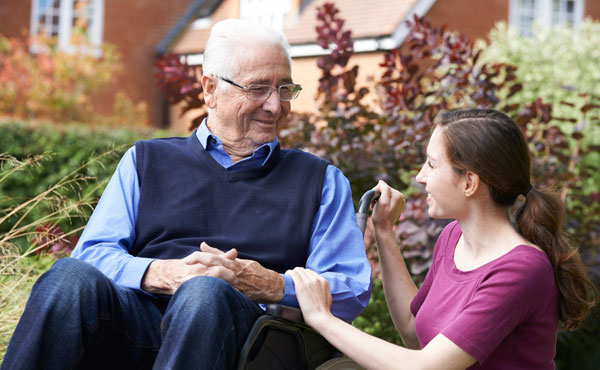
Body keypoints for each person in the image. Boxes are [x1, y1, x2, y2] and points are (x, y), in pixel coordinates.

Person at [1, 19, 372, 370]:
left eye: (285, 89)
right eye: (258, 88)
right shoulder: (146, 160)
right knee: (68, 277)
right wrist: (161, 272)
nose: (276, 105)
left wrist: (270, 283)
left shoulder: (319, 180)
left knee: (204, 293)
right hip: (135, 323)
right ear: (210, 89)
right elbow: (94, 253)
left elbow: (350, 290)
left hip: (247, 343)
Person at [287, 108, 598, 369]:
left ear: (469, 183)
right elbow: (413, 332)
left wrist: (321, 318)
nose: (420, 176)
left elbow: (424, 367)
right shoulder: (452, 238)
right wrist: (383, 232)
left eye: (432, 164)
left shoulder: (521, 270)